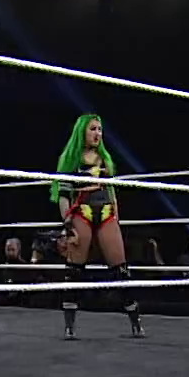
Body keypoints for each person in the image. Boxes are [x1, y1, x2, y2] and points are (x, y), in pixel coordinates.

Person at [50, 113, 143, 339]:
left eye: (100, 129)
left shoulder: (105, 159)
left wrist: (117, 218)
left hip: (106, 213)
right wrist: (67, 225)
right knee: (74, 270)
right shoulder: (71, 159)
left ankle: (136, 322)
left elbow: (112, 191)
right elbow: (63, 195)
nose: (97, 133)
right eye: (93, 129)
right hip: (82, 212)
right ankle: (69, 326)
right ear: (82, 131)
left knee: (121, 269)